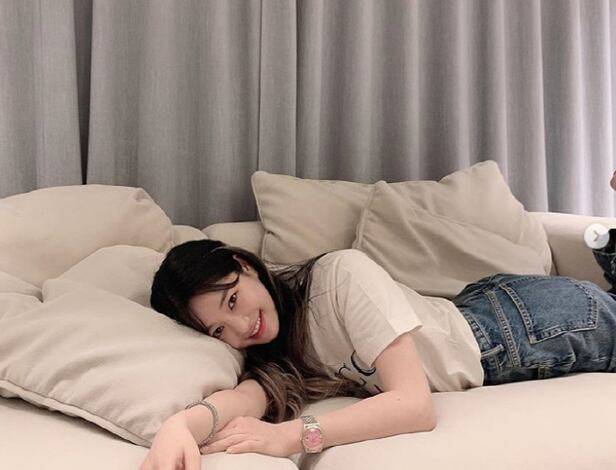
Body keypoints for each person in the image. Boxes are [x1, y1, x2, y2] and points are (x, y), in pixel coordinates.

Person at [139, 175, 616, 470]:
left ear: (246, 264)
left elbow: (415, 406)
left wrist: (288, 436)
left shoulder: (339, 276)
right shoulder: (273, 349)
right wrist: (178, 427)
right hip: (479, 309)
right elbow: (243, 398)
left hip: (519, 328)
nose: (242, 327)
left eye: (233, 300)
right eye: (219, 330)